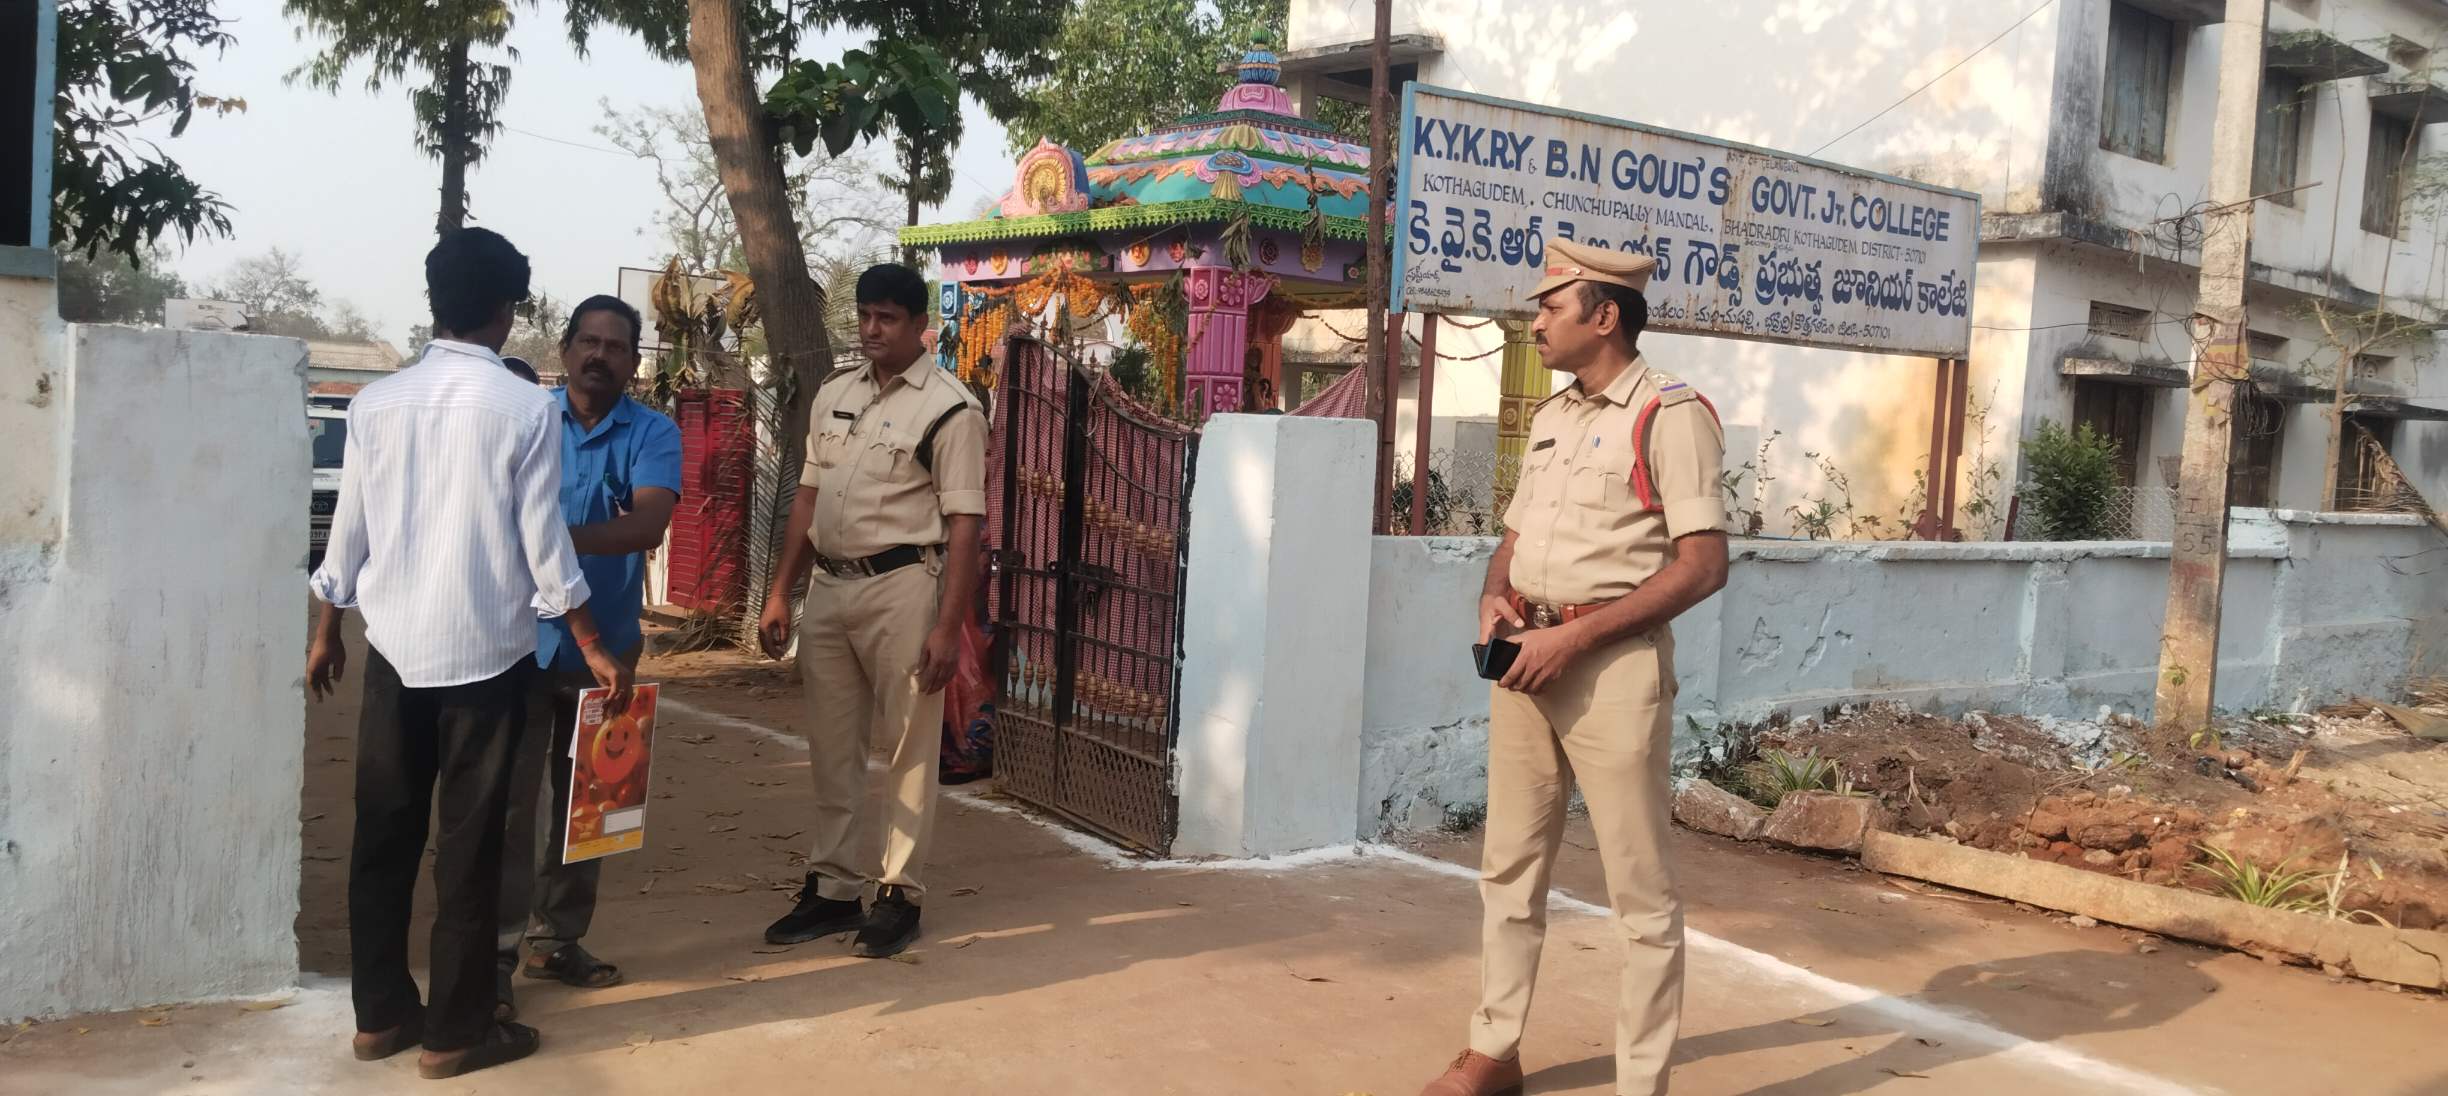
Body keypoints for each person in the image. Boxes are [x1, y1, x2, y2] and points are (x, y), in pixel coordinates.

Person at [306, 228, 633, 1080]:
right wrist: (590, 641)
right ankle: (457, 1030)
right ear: (506, 310)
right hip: (487, 658)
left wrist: (325, 631)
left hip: (394, 651)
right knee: (472, 844)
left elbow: (349, 534)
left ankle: (380, 1016)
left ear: (434, 300)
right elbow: (544, 547)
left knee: (383, 833)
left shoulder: (376, 404)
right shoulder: (525, 410)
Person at [1417, 239, 1729, 1096]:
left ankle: (1642, 1084)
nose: (1536, 322)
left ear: (1604, 317)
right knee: (1509, 868)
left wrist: (1575, 641)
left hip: (1611, 669)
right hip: (1527, 660)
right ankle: (1494, 1052)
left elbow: (1703, 565)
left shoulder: (1669, 414)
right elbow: (1515, 538)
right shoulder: (1556, 415)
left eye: (1551, 307)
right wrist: (1495, 596)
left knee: (1642, 894)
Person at [757, 262, 986, 959]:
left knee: (909, 748)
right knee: (832, 748)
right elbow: (808, 496)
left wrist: (947, 627)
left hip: (902, 588)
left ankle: (898, 893)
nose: (872, 329)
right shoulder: (835, 393)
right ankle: (833, 887)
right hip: (830, 588)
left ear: (921, 325)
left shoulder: (951, 409)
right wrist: (781, 589)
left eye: (887, 317)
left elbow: (966, 524)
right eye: (864, 315)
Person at [494, 295, 680, 1020]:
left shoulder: (653, 432)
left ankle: (558, 940)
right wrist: (555, 540)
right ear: (566, 348)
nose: (601, 355)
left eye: (617, 346)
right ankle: (494, 957)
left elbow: (646, 525)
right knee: (508, 806)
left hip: (607, 647)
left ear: (634, 361)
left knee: (595, 804)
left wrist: (544, 540)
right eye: (589, 342)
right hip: (516, 644)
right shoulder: (526, 420)